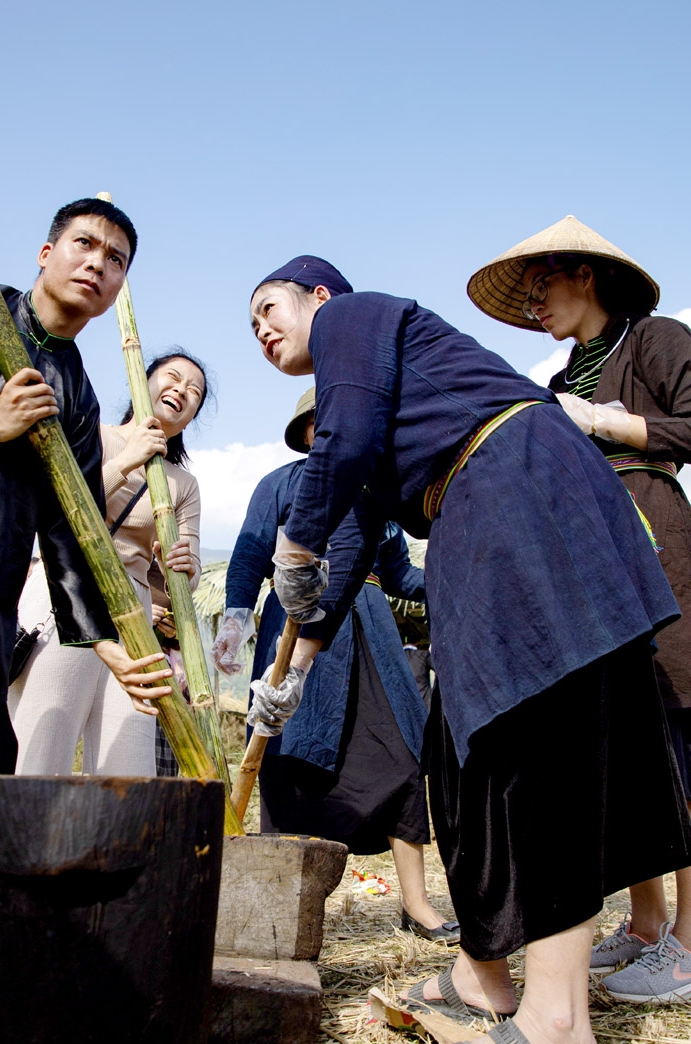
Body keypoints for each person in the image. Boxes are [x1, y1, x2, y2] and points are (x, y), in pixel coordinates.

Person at [247, 255, 691, 1044]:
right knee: (458, 755)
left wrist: (293, 539)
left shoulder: (355, 315)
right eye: (252, 326)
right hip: (482, 517)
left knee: (536, 743)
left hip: (519, 493)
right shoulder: (382, 415)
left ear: (319, 296)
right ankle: (480, 975)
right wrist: (300, 665)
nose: (262, 329)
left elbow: (335, 463)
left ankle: (556, 1017)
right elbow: (351, 547)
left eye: (269, 308)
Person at [0, 198, 172, 1006]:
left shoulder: (76, 396)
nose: (97, 262)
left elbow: (75, 528)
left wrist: (110, 645)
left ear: (119, 287)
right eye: (85, 244)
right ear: (47, 250)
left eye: (115, 259)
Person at [467, 214, 691, 1003]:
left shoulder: (656, 340)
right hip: (589, 568)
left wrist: (601, 422)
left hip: (657, 540)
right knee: (632, 736)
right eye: (525, 297)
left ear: (584, 276)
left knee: (678, 719)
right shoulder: (559, 381)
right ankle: (644, 922)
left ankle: (690, 946)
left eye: (541, 288)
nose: (534, 306)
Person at [212, 387, 458, 941]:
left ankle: (416, 904)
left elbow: (399, 577)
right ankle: (281, 908)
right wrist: (234, 616)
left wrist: (451, 576)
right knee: (287, 760)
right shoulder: (281, 483)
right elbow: (251, 552)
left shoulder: (382, 493)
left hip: (370, 627)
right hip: (296, 625)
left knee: (399, 758)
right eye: (322, 422)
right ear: (305, 433)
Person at [9, 350, 209, 777]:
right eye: (172, 377)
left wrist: (183, 565)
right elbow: (58, 508)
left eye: (194, 392)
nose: (181, 390)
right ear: (142, 381)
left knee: (132, 761)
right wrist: (126, 461)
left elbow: (185, 578)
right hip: (68, 589)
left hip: (135, 617)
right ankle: (22, 840)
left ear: (190, 420)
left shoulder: (184, 484)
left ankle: (115, 845)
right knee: (47, 738)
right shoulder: (92, 433)